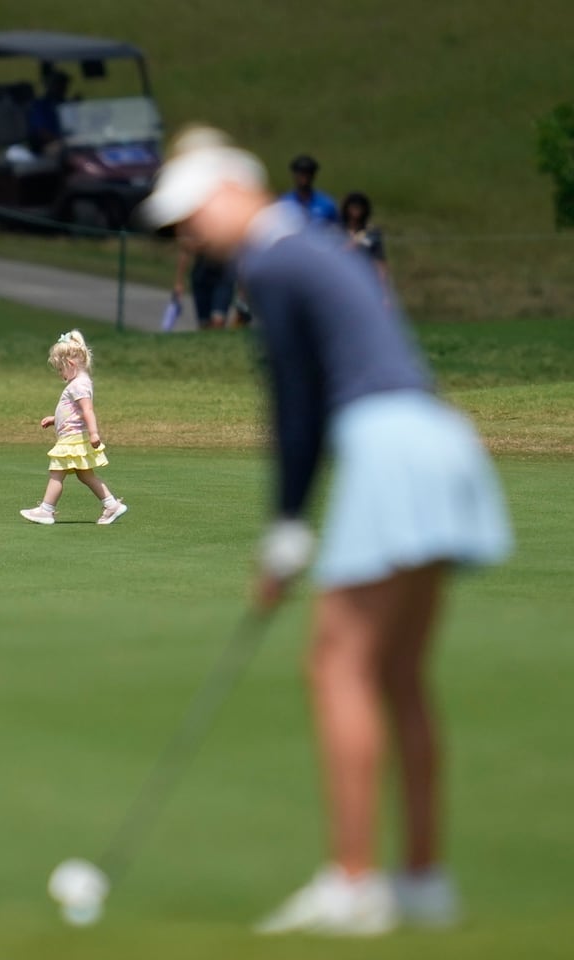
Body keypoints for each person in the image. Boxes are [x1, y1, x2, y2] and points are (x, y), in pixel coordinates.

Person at [140, 131, 512, 935]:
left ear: (233, 193)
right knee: (401, 672)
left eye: (191, 218)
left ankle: (352, 883)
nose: (189, 237)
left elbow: (298, 409)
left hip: (387, 444)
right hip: (441, 438)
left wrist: (283, 533)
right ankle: (423, 881)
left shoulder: (272, 261)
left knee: (335, 664)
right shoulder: (312, 248)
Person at [19, 330, 128, 526]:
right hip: (74, 437)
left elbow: (87, 410)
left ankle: (46, 510)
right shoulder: (80, 383)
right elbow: (74, 411)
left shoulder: (78, 385)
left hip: (73, 439)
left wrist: (94, 433)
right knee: (85, 474)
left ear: (70, 364)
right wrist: (56, 419)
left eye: (60, 370)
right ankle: (111, 504)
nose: (61, 375)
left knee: (57, 473)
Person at [174, 239, 238, 330]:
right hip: (201, 277)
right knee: (204, 324)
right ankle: (207, 343)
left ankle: (217, 341)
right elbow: (185, 250)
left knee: (218, 321)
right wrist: (179, 282)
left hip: (223, 277)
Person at [341, 191, 390, 293]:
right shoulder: (336, 231)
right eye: (353, 207)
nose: (355, 211)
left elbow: (379, 262)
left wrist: (384, 291)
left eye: (359, 207)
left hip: (365, 280)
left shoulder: (371, 233)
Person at [281, 154, 340, 226]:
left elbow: (336, 230)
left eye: (308, 173)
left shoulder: (326, 204)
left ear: (313, 175)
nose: (304, 177)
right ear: (294, 175)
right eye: (301, 173)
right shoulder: (284, 204)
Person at [26, 69, 69, 155]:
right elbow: (42, 132)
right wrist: (64, 141)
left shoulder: (66, 104)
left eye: (64, 84)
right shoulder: (40, 106)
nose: (62, 88)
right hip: (47, 147)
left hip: (68, 143)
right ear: (49, 85)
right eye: (59, 84)